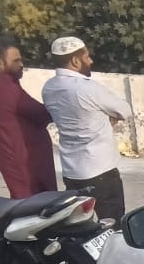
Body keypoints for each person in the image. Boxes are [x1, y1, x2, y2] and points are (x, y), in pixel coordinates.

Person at [41, 36, 132, 223]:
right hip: (101, 171)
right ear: (75, 61)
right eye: (87, 57)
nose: (90, 61)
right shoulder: (88, 88)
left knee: (81, 224)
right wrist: (106, 117)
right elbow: (125, 110)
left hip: (72, 172)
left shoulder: (49, 88)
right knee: (112, 223)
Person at [0, 37, 57, 198]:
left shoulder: (4, 84)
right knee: (35, 207)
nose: (21, 64)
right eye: (16, 60)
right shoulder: (4, 87)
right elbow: (41, 114)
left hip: (14, 153)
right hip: (22, 157)